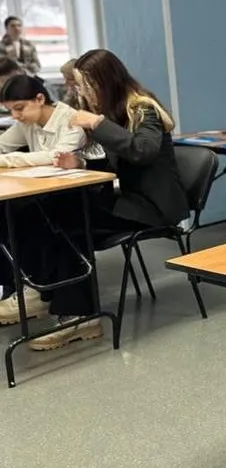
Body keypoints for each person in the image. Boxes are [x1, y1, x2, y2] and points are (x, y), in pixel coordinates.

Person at [43, 49, 189, 350]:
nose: (83, 92)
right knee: (57, 213)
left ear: (105, 81)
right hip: (131, 199)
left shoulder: (143, 108)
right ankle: (50, 294)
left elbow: (142, 151)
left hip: (153, 207)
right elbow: (119, 161)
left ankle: (79, 314)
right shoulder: (115, 109)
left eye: (87, 85)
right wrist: (81, 164)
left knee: (72, 223)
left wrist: (97, 123)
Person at [0, 75, 87, 325]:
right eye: (10, 110)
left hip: (74, 198)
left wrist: (8, 160)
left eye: (19, 108)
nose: (15, 116)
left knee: (24, 219)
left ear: (40, 99)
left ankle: (38, 287)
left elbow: (55, 157)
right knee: (6, 216)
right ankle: (21, 284)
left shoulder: (70, 119)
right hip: (43, 194)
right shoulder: (28, 122)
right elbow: (3, 144)